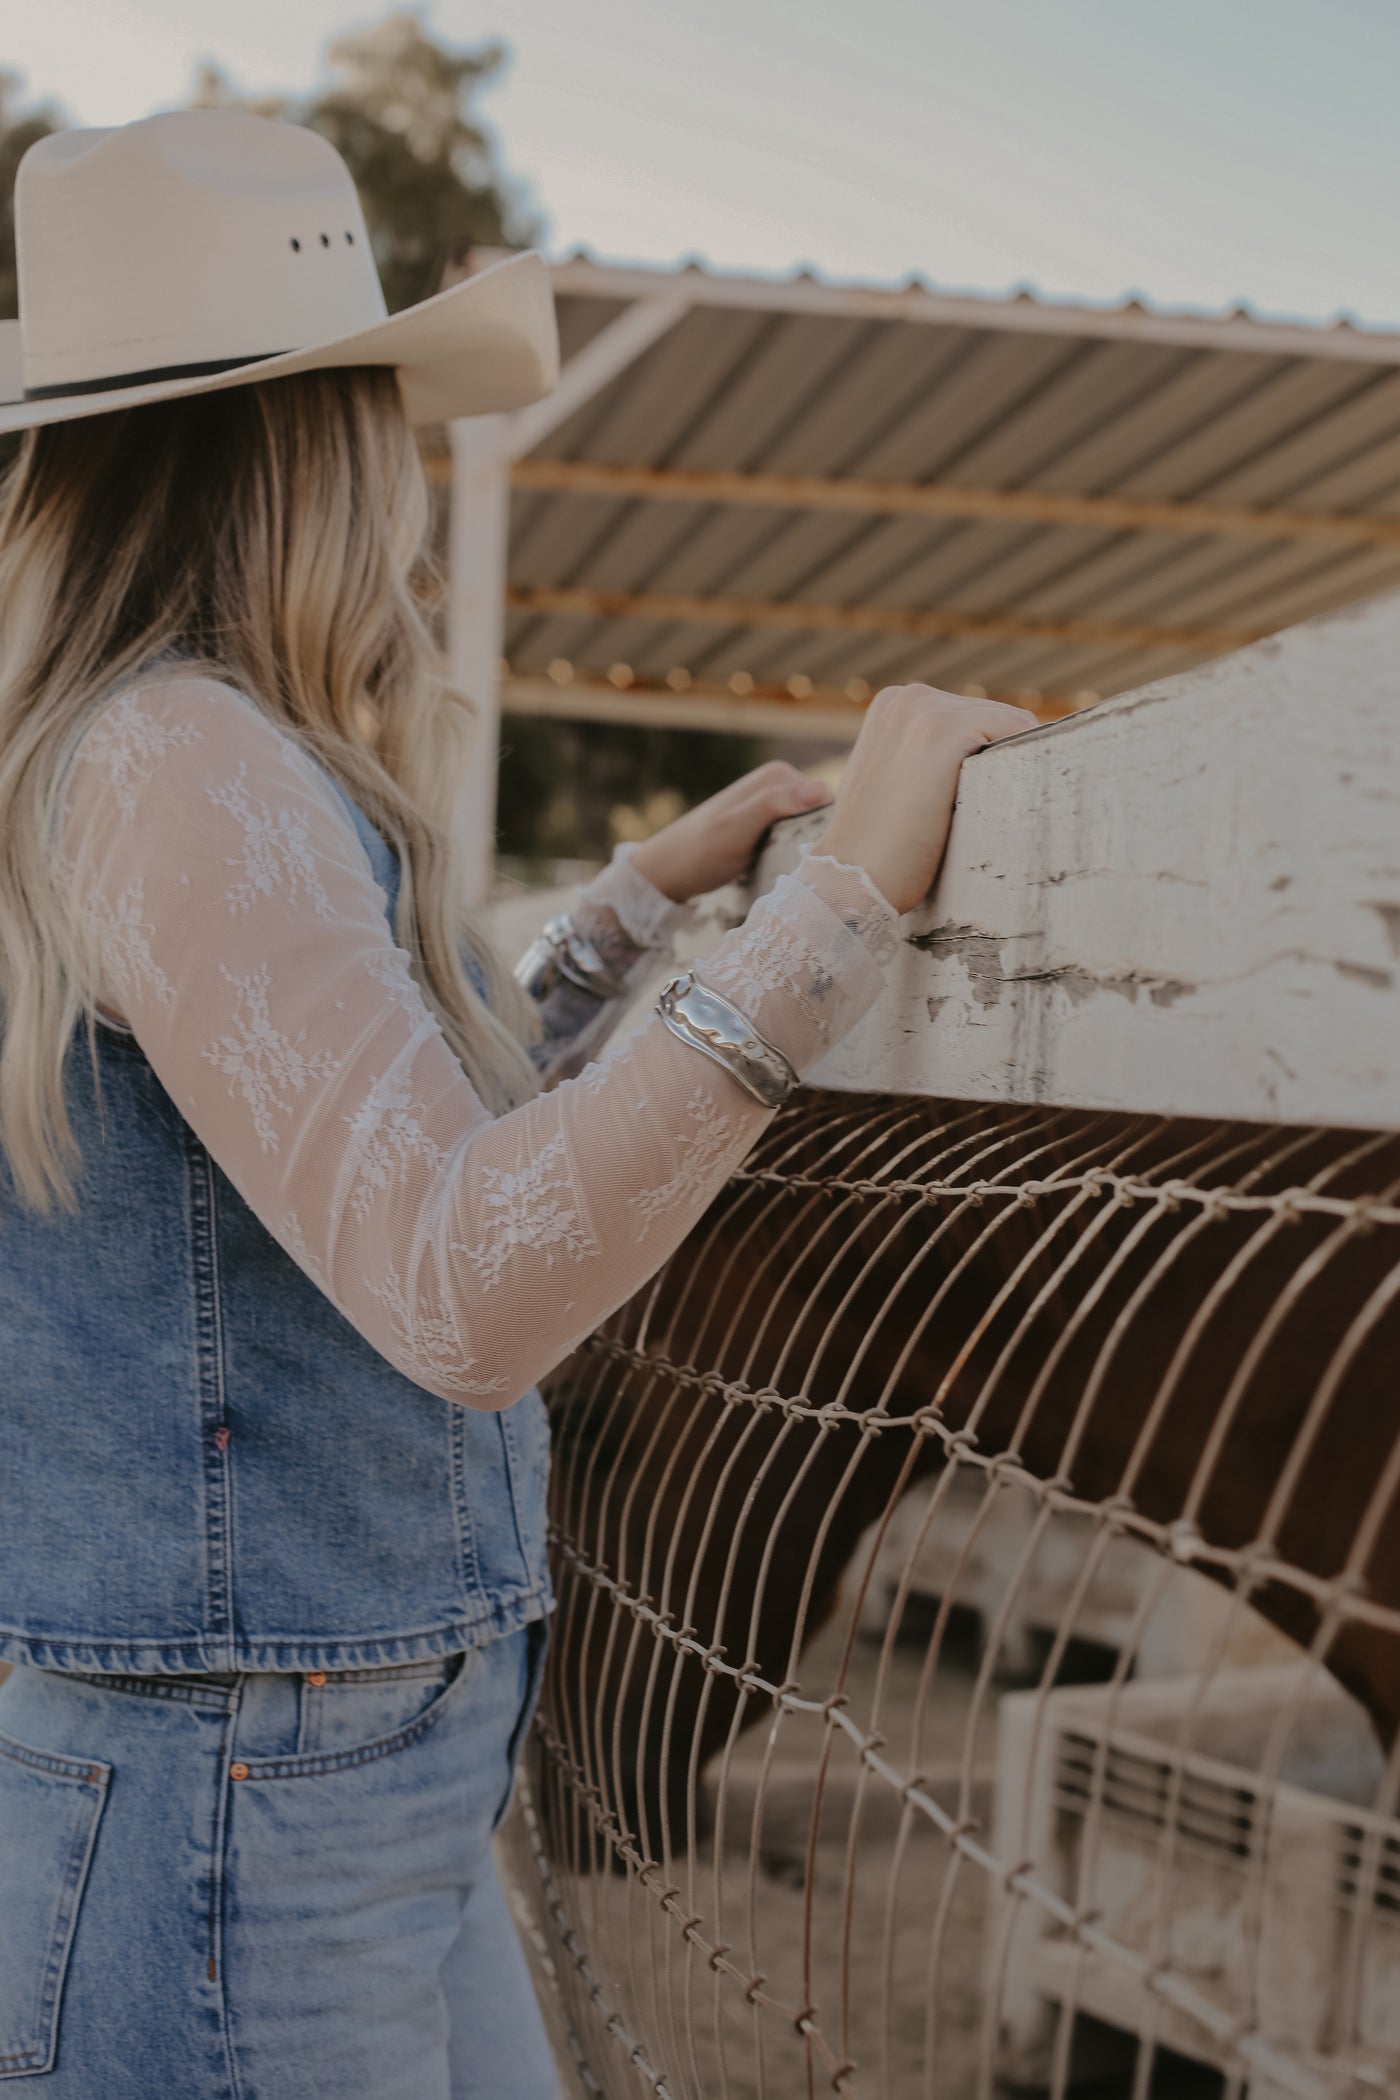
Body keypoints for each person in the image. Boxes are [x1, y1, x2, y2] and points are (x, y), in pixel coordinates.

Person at [0, 109, 1036, 2098]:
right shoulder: (180, 765)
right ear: (312, 442)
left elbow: (341, 1126)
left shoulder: (157, 755)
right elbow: (461, 1288)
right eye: (380, 412)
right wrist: (824, 920)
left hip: (309, 1761)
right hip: (257, 1787)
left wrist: (637, 908)